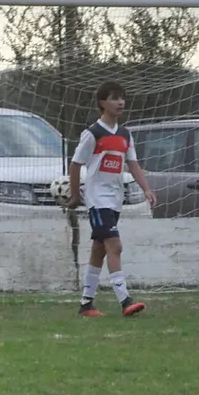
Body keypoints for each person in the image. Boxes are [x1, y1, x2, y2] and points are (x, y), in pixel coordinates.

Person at [65, 80, 156, 317]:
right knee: (115, 245)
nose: (120, 102)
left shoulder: (125, 134)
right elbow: (75, 164)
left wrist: (146, 189)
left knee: (99, 249)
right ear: (102, 103)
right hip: (97, 200)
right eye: (115, 98)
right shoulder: (92, 133)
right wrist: (76, 195)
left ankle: (86, 304)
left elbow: (133, 163)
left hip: (115, 199)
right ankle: (125, 300)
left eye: (122, 97)